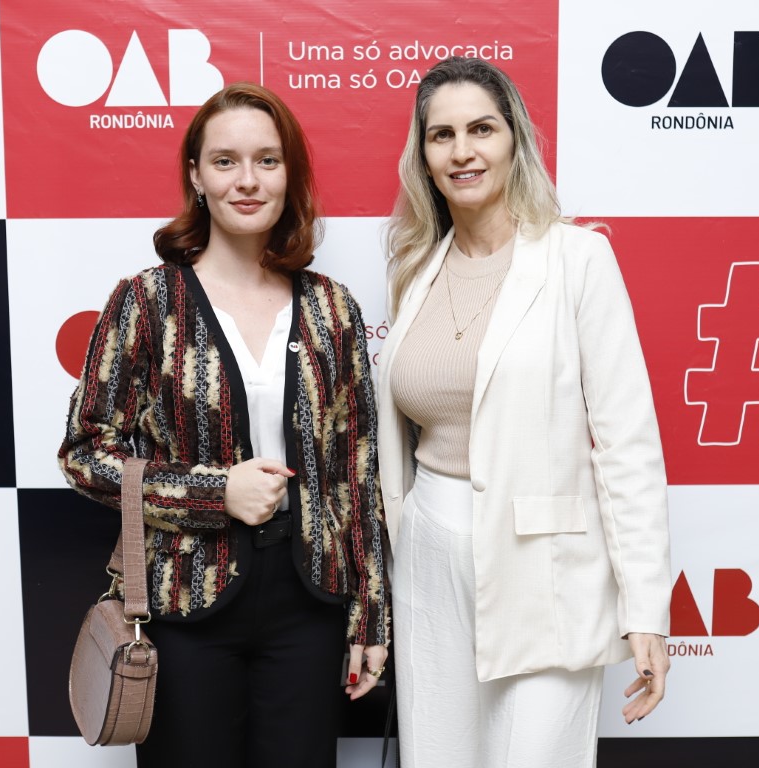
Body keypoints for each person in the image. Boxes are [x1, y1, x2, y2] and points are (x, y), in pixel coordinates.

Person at [58, 82, 390, 768]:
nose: (247, 180)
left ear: (290, 175)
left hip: (309, 605)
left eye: (268, 160)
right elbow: (85, 454)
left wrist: (370, 614)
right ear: (196, 176)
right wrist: (216, 493)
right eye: (225, 161)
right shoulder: (147, 302)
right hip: (186, 602)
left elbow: (357, 475)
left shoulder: (333, 309)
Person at [377, 56, 671, 767]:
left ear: (515, 139)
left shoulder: (579, 259)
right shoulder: (416, 267)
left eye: (481, 129)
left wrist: (645, 610)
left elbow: (627, 444)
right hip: (427, 557)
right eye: (442, 135)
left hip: (544, 566)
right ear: (423, 155)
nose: (462, 151)